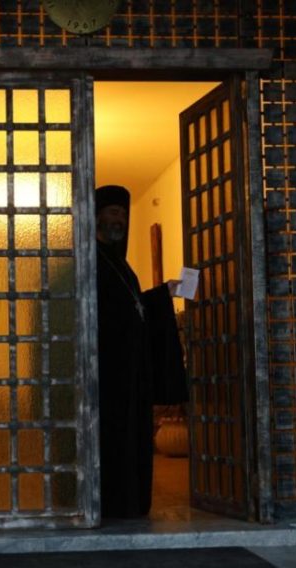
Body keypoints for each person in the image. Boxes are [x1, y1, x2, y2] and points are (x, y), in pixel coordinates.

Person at [94, 184, 188, 519]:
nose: (119, 219)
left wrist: (165, 293)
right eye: (113, 212)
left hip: (130, 369)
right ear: (97, 216)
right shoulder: (92, 260)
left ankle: (131, 503)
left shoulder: (121, 265)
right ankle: (112, 503)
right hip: (107, 370)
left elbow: (135, 306)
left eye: (123, 214)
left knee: (133, 436)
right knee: (112, 438)